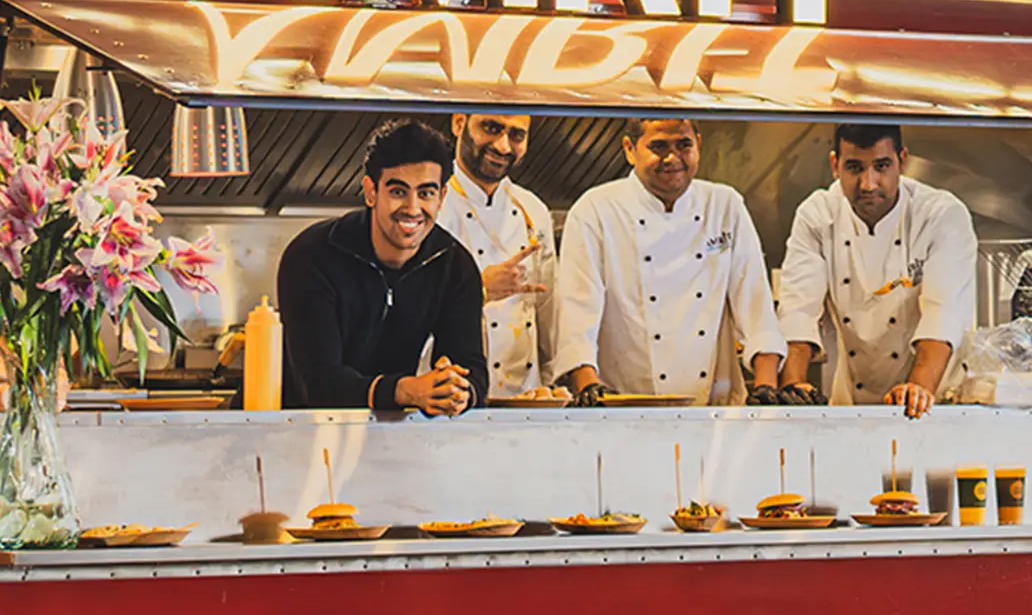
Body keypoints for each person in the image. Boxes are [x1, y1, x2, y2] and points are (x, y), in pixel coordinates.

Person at [553, 117, 785, 407]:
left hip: (712, 410)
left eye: (684, 145)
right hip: (623, 406)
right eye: (659, 147)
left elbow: (755, 304)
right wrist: (589, 390)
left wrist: (766, 388)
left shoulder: (724, 205)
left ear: (698, 144)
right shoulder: (596, 210)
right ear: (629, 149)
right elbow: (577, 311)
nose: (673, 158)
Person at [277, 117, 486, 415]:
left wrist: (456, 390)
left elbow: (473, 371)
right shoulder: (312, 256)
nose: (413, 209)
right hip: (291, 433)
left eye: (425, 193)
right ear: (371, 191)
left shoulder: (455, 266)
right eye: (398, 191)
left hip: (389, 438)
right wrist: (404, 390)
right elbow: (319, 383)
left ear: (441, 197)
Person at [777, 121, 977, 418]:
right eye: (854, 168)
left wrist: (918, 389)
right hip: (852, 405)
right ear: (835, 165)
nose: (868, 184)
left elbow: (942, 312)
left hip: (933, 403)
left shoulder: (940, 214)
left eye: (881, 166)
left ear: (902, 161)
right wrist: (794, 388)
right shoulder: (817, 214)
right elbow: (798, 309)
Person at [436, 113, 557, 399]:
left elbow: (549, 312)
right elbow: (408, 312)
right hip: (447, 397)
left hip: (525, 401)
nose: (503, 146)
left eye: (516, 135)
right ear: (458, 123)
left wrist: (552, 385)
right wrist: (479, 290)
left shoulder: (533, 210)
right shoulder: (430, 204)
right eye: (491, 128)